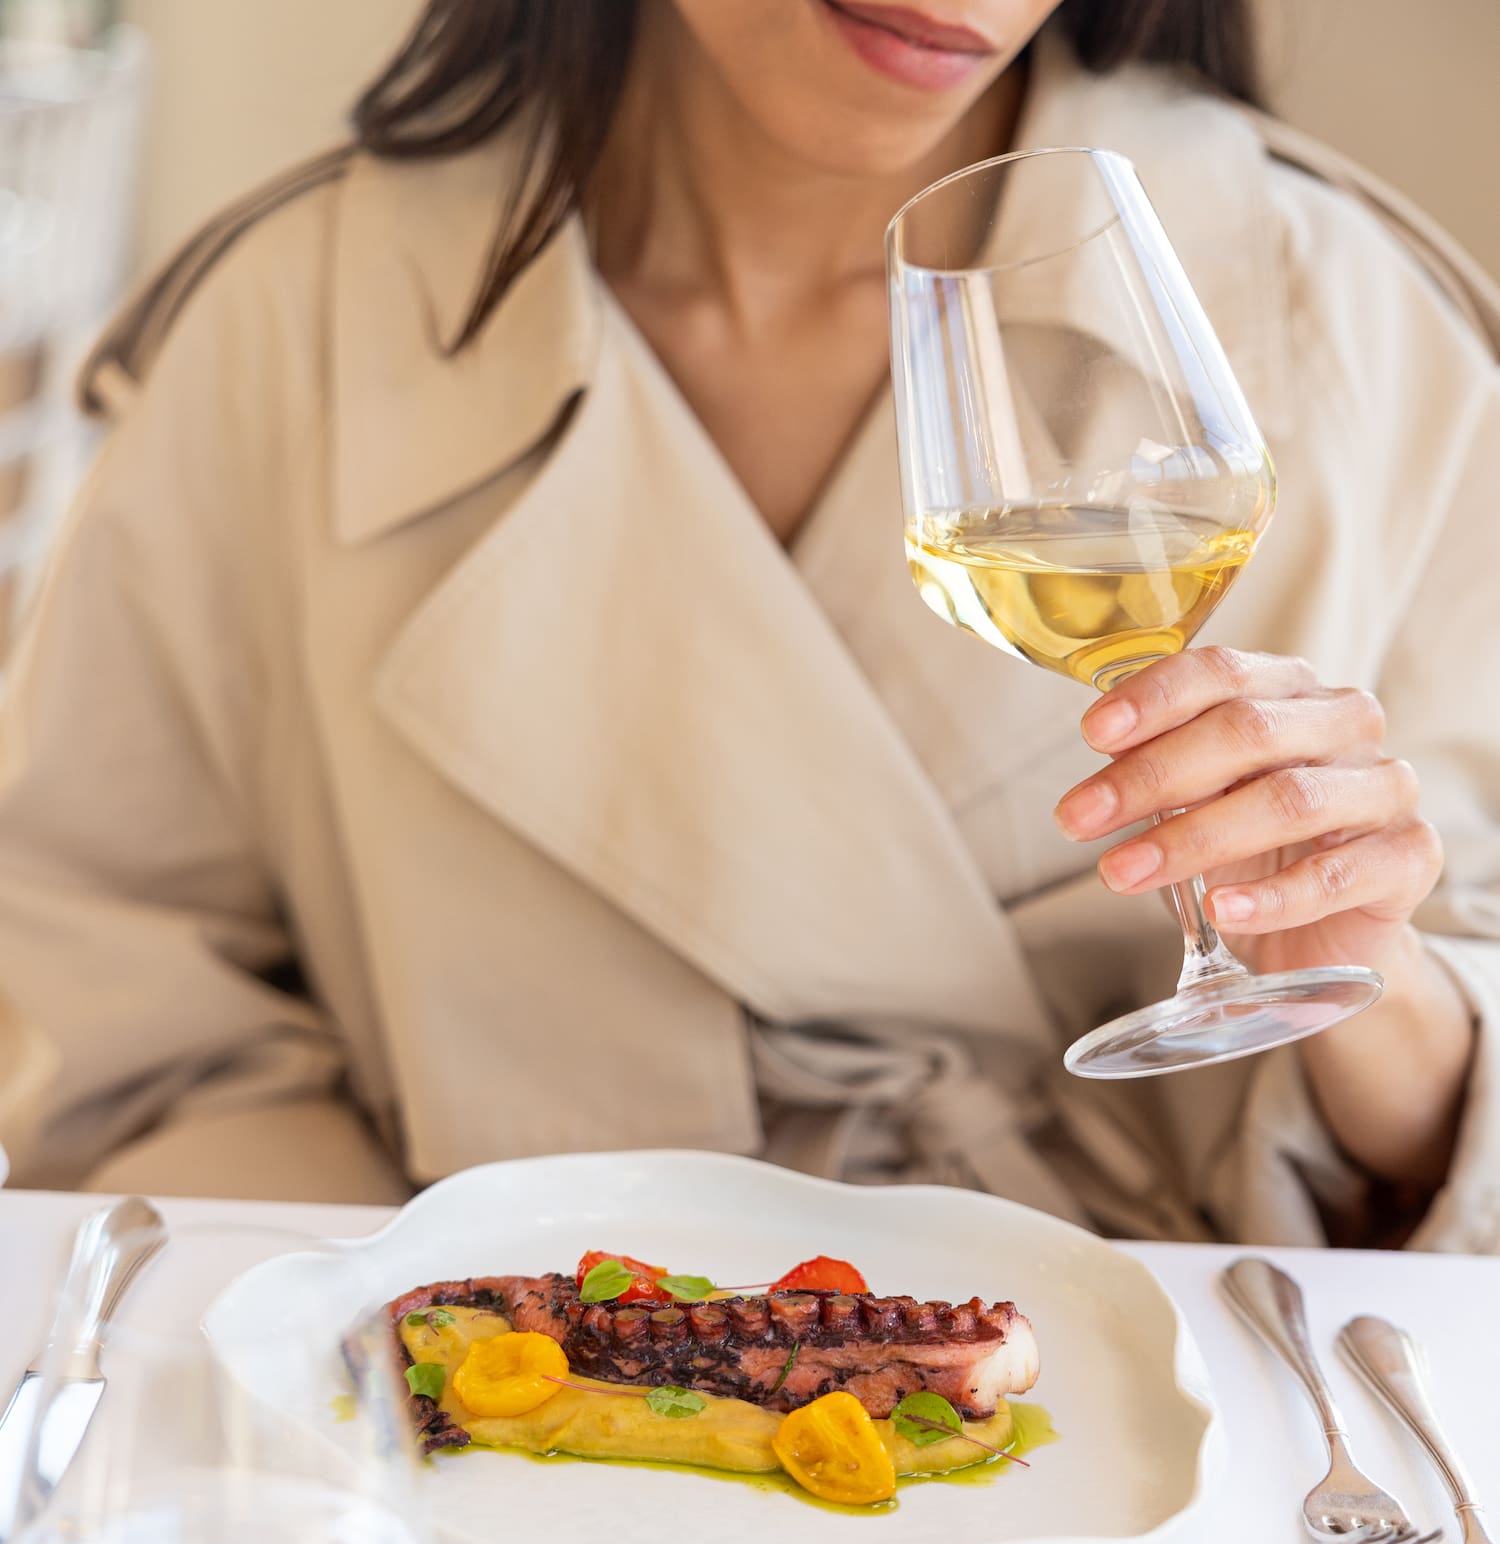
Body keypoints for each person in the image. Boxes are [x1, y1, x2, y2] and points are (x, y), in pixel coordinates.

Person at [0, 0, 1495, 1250]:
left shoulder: (1353, 322)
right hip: (495, 1466)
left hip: (1192, 1478)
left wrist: (1370, 979)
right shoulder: (286, 332)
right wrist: (436, 1356)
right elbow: (115, 1038)